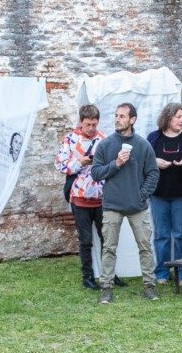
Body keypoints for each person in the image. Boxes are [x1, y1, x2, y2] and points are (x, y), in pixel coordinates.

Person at [90, 102, 160, 303]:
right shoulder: (105, 145)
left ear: (132, 119)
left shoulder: (143, 145)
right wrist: (116, 163)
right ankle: (106, 288)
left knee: (145, 246)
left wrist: (141, 195)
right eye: (116, 115)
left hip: (137, 206)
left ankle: (149, 286)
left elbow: (153, 174)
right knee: (109, 248)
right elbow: (95, 173)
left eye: (122, 116)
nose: (118, 119)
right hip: (112, 205)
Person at [55, 104, 105, 289]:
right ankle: (88, 277)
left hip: (101, 196)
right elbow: (60, 165)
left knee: (106, 238)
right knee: (86, 241)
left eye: (94, 124)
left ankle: (109, 274)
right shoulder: (70, 139)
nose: (91, 128)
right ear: (81, 122)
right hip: (79, 196)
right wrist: (79, 163)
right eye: (87, 125)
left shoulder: (103, 139)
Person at [148, 103, 182, 286]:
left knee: (181, 234)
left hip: (181, 194)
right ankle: (162, 272)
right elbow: (144, 160)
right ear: (168, 117)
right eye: (178, 116)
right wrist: (155, 161)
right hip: (158, 193)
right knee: (161, 235)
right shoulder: (154, 138)